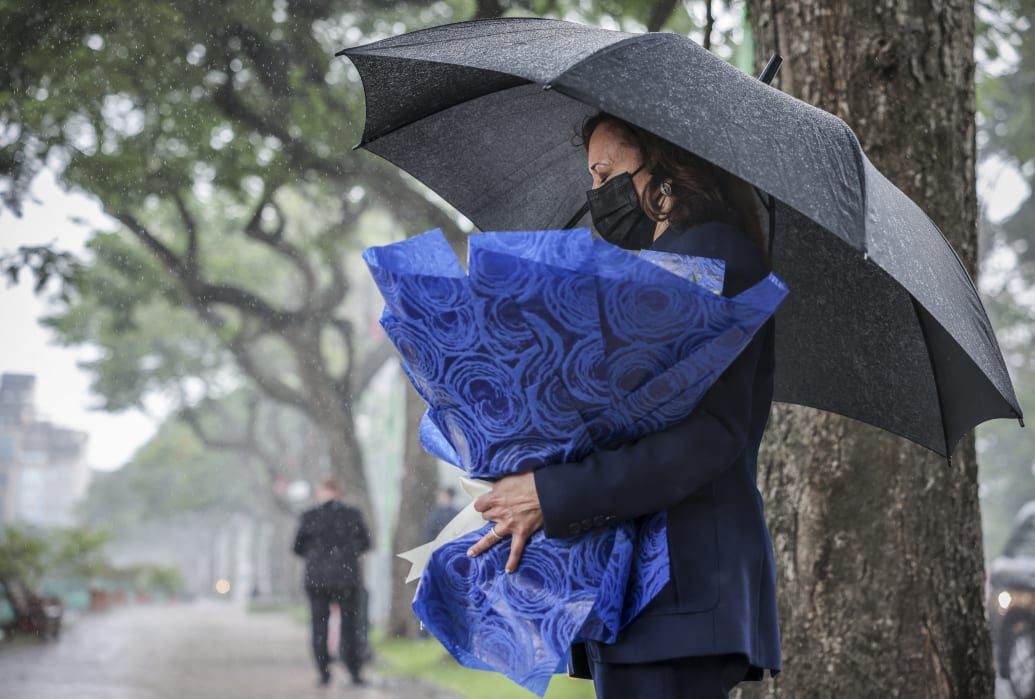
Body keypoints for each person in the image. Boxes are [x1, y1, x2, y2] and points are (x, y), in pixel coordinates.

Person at [466, 113, 780, 698]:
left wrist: (552, 494)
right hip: (647, 596)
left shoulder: (713, 253)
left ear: (664, 167)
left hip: (682, 589)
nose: (597, 194)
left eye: (607, 172)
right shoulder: (657, 266)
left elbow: (708, 434)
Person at [293, 477, 371, 687]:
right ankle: (354, 670)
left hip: (317, 578)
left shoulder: (309, 516)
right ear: (339, 491)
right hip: (346, 578)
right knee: (350, 625)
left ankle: (323, 672)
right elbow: (365, 542)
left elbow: (297, 547)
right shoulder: (352, 515)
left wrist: (317, 557)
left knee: (319, 625)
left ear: (321, 492)